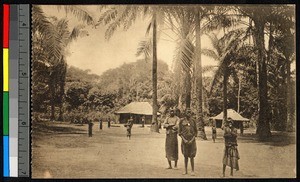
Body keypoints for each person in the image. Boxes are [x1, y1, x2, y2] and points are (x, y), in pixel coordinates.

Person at [178, 108, 197, 176]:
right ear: (185, 113)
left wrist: (192, 140)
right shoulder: (181, 121)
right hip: (184, 141)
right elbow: (179, 132)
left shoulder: (193, 121)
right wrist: (184, 140)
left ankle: (192, 170)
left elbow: (196, 132)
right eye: (187, 112)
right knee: (185, 156)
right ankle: (185, 170)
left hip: (192, 141)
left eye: (190, 112)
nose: (189, 113)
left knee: (192, 156)